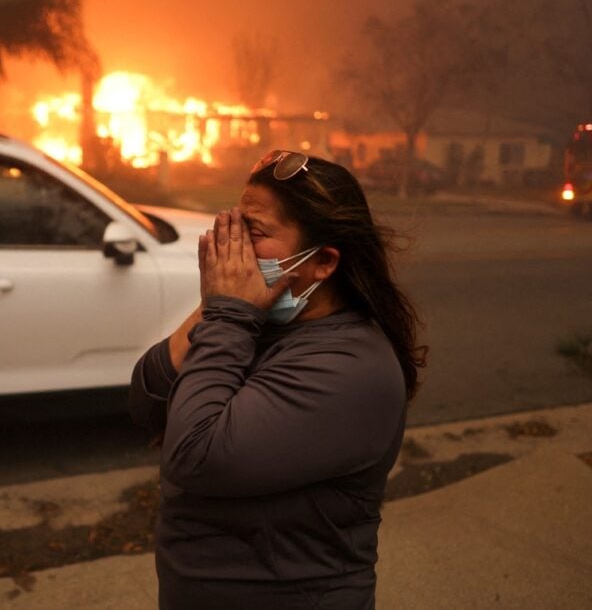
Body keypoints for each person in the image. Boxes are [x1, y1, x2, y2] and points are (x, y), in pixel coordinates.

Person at [129, 150, 426, 609]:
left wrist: (229, 312)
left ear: (324, 262)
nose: (237, 252)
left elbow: (194, 455)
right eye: (236, 230)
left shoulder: (352, 366)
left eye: (256, 235)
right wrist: (218, 304)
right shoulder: (254, 321)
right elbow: (147, 397)